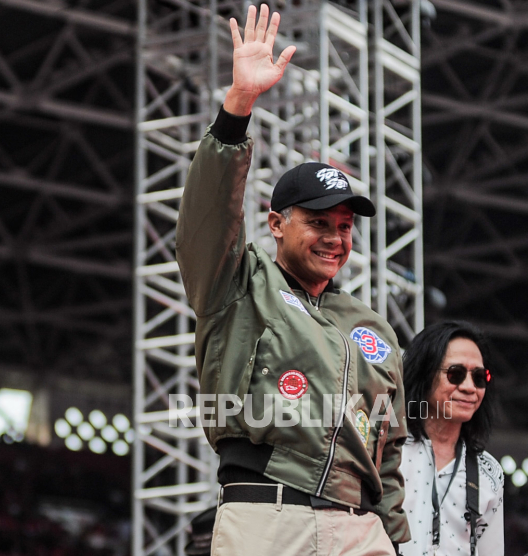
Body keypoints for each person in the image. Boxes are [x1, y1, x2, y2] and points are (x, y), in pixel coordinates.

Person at [176, 5, 410, 555]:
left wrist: (399, 544)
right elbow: (206, 220)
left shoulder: (370, 326)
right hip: (268, 513)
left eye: (345, 226)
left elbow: (389, 459)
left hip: (361, 528)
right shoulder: (237, 281)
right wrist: (238, 107)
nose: (335, 237)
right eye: (318, 223)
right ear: (277, 225)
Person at [398, 321, 504, 555]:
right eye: (455, 374)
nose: (469, 387)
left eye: (479, 377)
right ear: (424, 374)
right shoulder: (386, 450)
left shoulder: (489, 471)